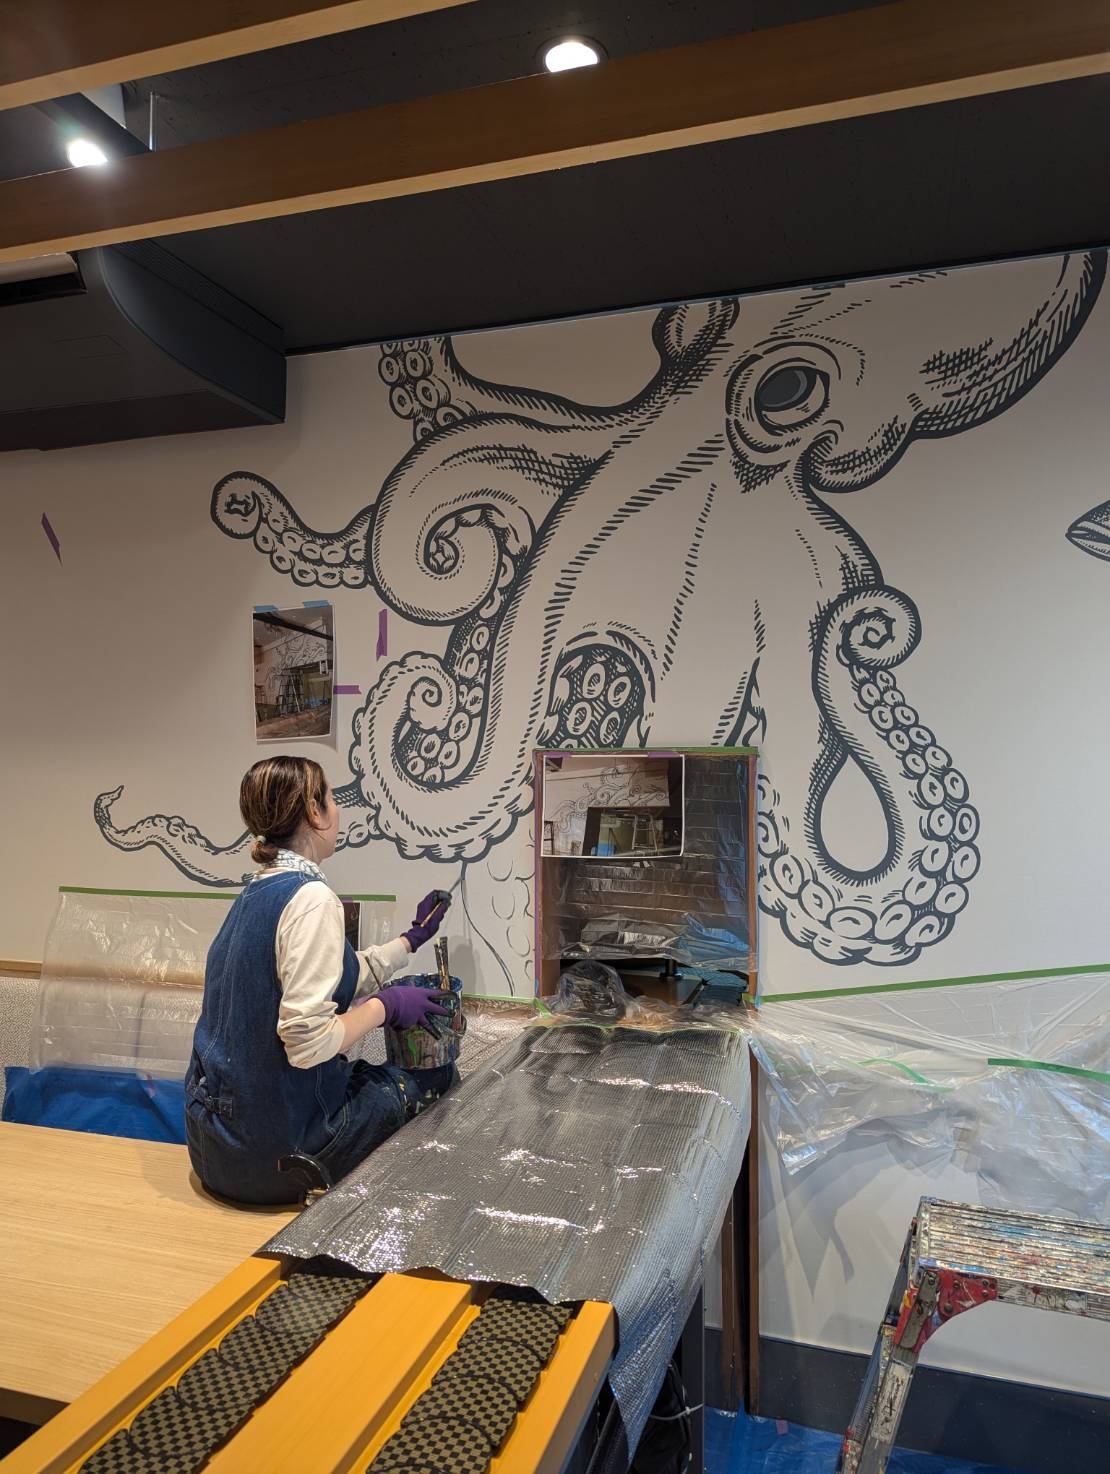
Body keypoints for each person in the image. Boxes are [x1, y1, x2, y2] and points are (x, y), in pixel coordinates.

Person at [184, 754, 454, 1205]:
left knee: (361, 1079)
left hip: (214, 1149)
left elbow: (334, 975)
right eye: (331, 797)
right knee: (433, 1079)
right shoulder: (312, 899)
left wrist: (410, 941)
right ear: (314, 810)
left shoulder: (256, 893)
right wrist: (385, 1007)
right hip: (277, 1159)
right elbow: (307, 1044)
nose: (337, 808)